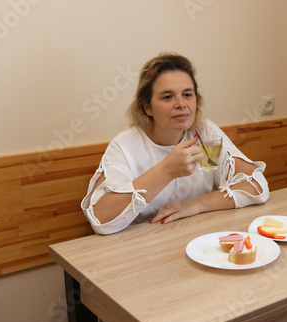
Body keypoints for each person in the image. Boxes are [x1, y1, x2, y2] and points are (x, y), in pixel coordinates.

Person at [81, 52, 269, 235]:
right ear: (147, 107)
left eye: (187, 94)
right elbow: (101, 221)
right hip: (140, 251)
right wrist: (166, 170)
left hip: (195, 240)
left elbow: (257, 186)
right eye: (167, 97)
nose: (181, 104)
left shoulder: (203, 134)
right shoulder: (125, 146)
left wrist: (194, 204)